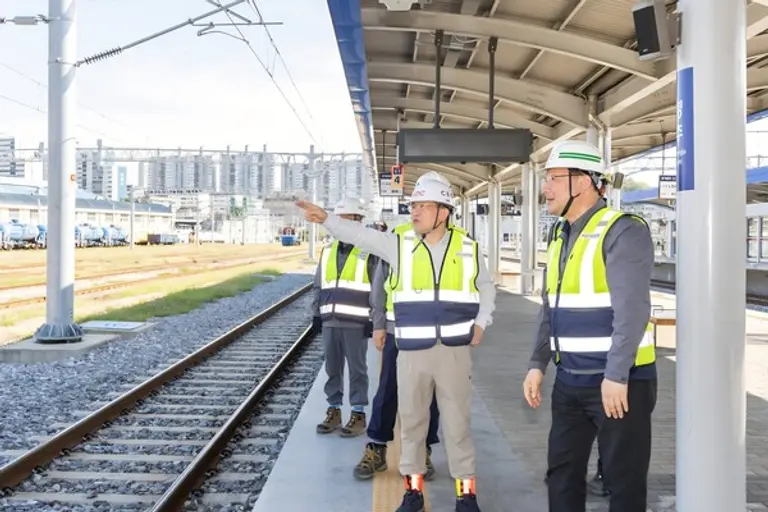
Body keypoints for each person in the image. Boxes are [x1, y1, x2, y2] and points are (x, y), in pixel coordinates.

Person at [297, 171, 496, 512]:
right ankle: (413, 494)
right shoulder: (399, 243)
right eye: (413, 205)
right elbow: (357, 234)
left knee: (458, 426)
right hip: (411, 353)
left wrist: (481, 321)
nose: (414, 211)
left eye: (423, 205)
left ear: (443, 211)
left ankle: (467, 497)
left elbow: (486, 286)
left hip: (454, 352)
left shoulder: (468, 247)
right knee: (412, 427)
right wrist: (327, 219)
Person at [522, 139, 658, 512]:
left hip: (620, 383)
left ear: (582, 182)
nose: (545, 188)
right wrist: (538, 364)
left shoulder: (623, 230)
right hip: (570, 381)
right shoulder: (559, 235)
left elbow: (632, 311)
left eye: (552, 178)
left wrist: (616, 375)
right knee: (562, 475)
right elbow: (550, 307)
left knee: (623, 483)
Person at [353, 256, 441, 481]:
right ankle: (377, 447)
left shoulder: (447, 244)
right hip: (397, 332)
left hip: (432, 335)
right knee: (387, 391)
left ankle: (422, 452)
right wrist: (379, 325)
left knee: (428, 395)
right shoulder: (396, 241)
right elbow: (380, 289)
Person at [312, 198, 379, 437]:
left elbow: (378, 288)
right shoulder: (328, 250)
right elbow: (318, 285)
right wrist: (316, 314)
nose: (343, 225)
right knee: (332, 368)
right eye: (340, 220)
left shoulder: (369, 252)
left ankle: (358, 413)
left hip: (356, 322)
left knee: (358, 370)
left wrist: (374, 319)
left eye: (349, 220)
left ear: (359, 222)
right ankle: (334, 410)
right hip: (330, 320)